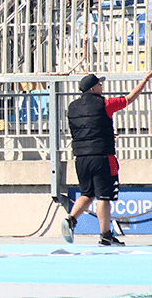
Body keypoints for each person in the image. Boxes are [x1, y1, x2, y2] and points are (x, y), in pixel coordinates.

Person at [61, 72, 152, 247]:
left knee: (87, 193)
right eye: (99, 85)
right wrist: (144, 81)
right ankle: (105, 235)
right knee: (104, 196)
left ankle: (71, 219)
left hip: (81, 158)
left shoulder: (72, 107)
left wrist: (108, 136)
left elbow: (86, 129)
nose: (102, 88)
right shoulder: (104, 103)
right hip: (101, 157)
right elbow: (129, 99)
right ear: (93, 88)